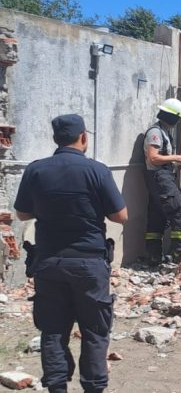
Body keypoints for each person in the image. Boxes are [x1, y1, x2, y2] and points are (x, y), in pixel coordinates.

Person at [14, 114, 128, 393]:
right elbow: (120, 216)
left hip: (49, 263)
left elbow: (22, 213)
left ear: (56, 139)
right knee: (95, 332)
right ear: (83, 137)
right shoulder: (97, 171)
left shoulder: (36, 170)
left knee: (53, 331)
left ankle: (56, 386)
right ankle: (94, 387)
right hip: (89, 264)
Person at [143, 99, 181, 264]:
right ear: (171, 116)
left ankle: (154, 256)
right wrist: (176, 157)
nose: (178, 122)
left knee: (158, 215)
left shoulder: (165, 132)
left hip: (162, 177)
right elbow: (153, 158)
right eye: (177, 118)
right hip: (159, 178)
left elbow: (161, 160)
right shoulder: (155, 133)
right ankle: (180, 251)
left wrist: (176, 164)